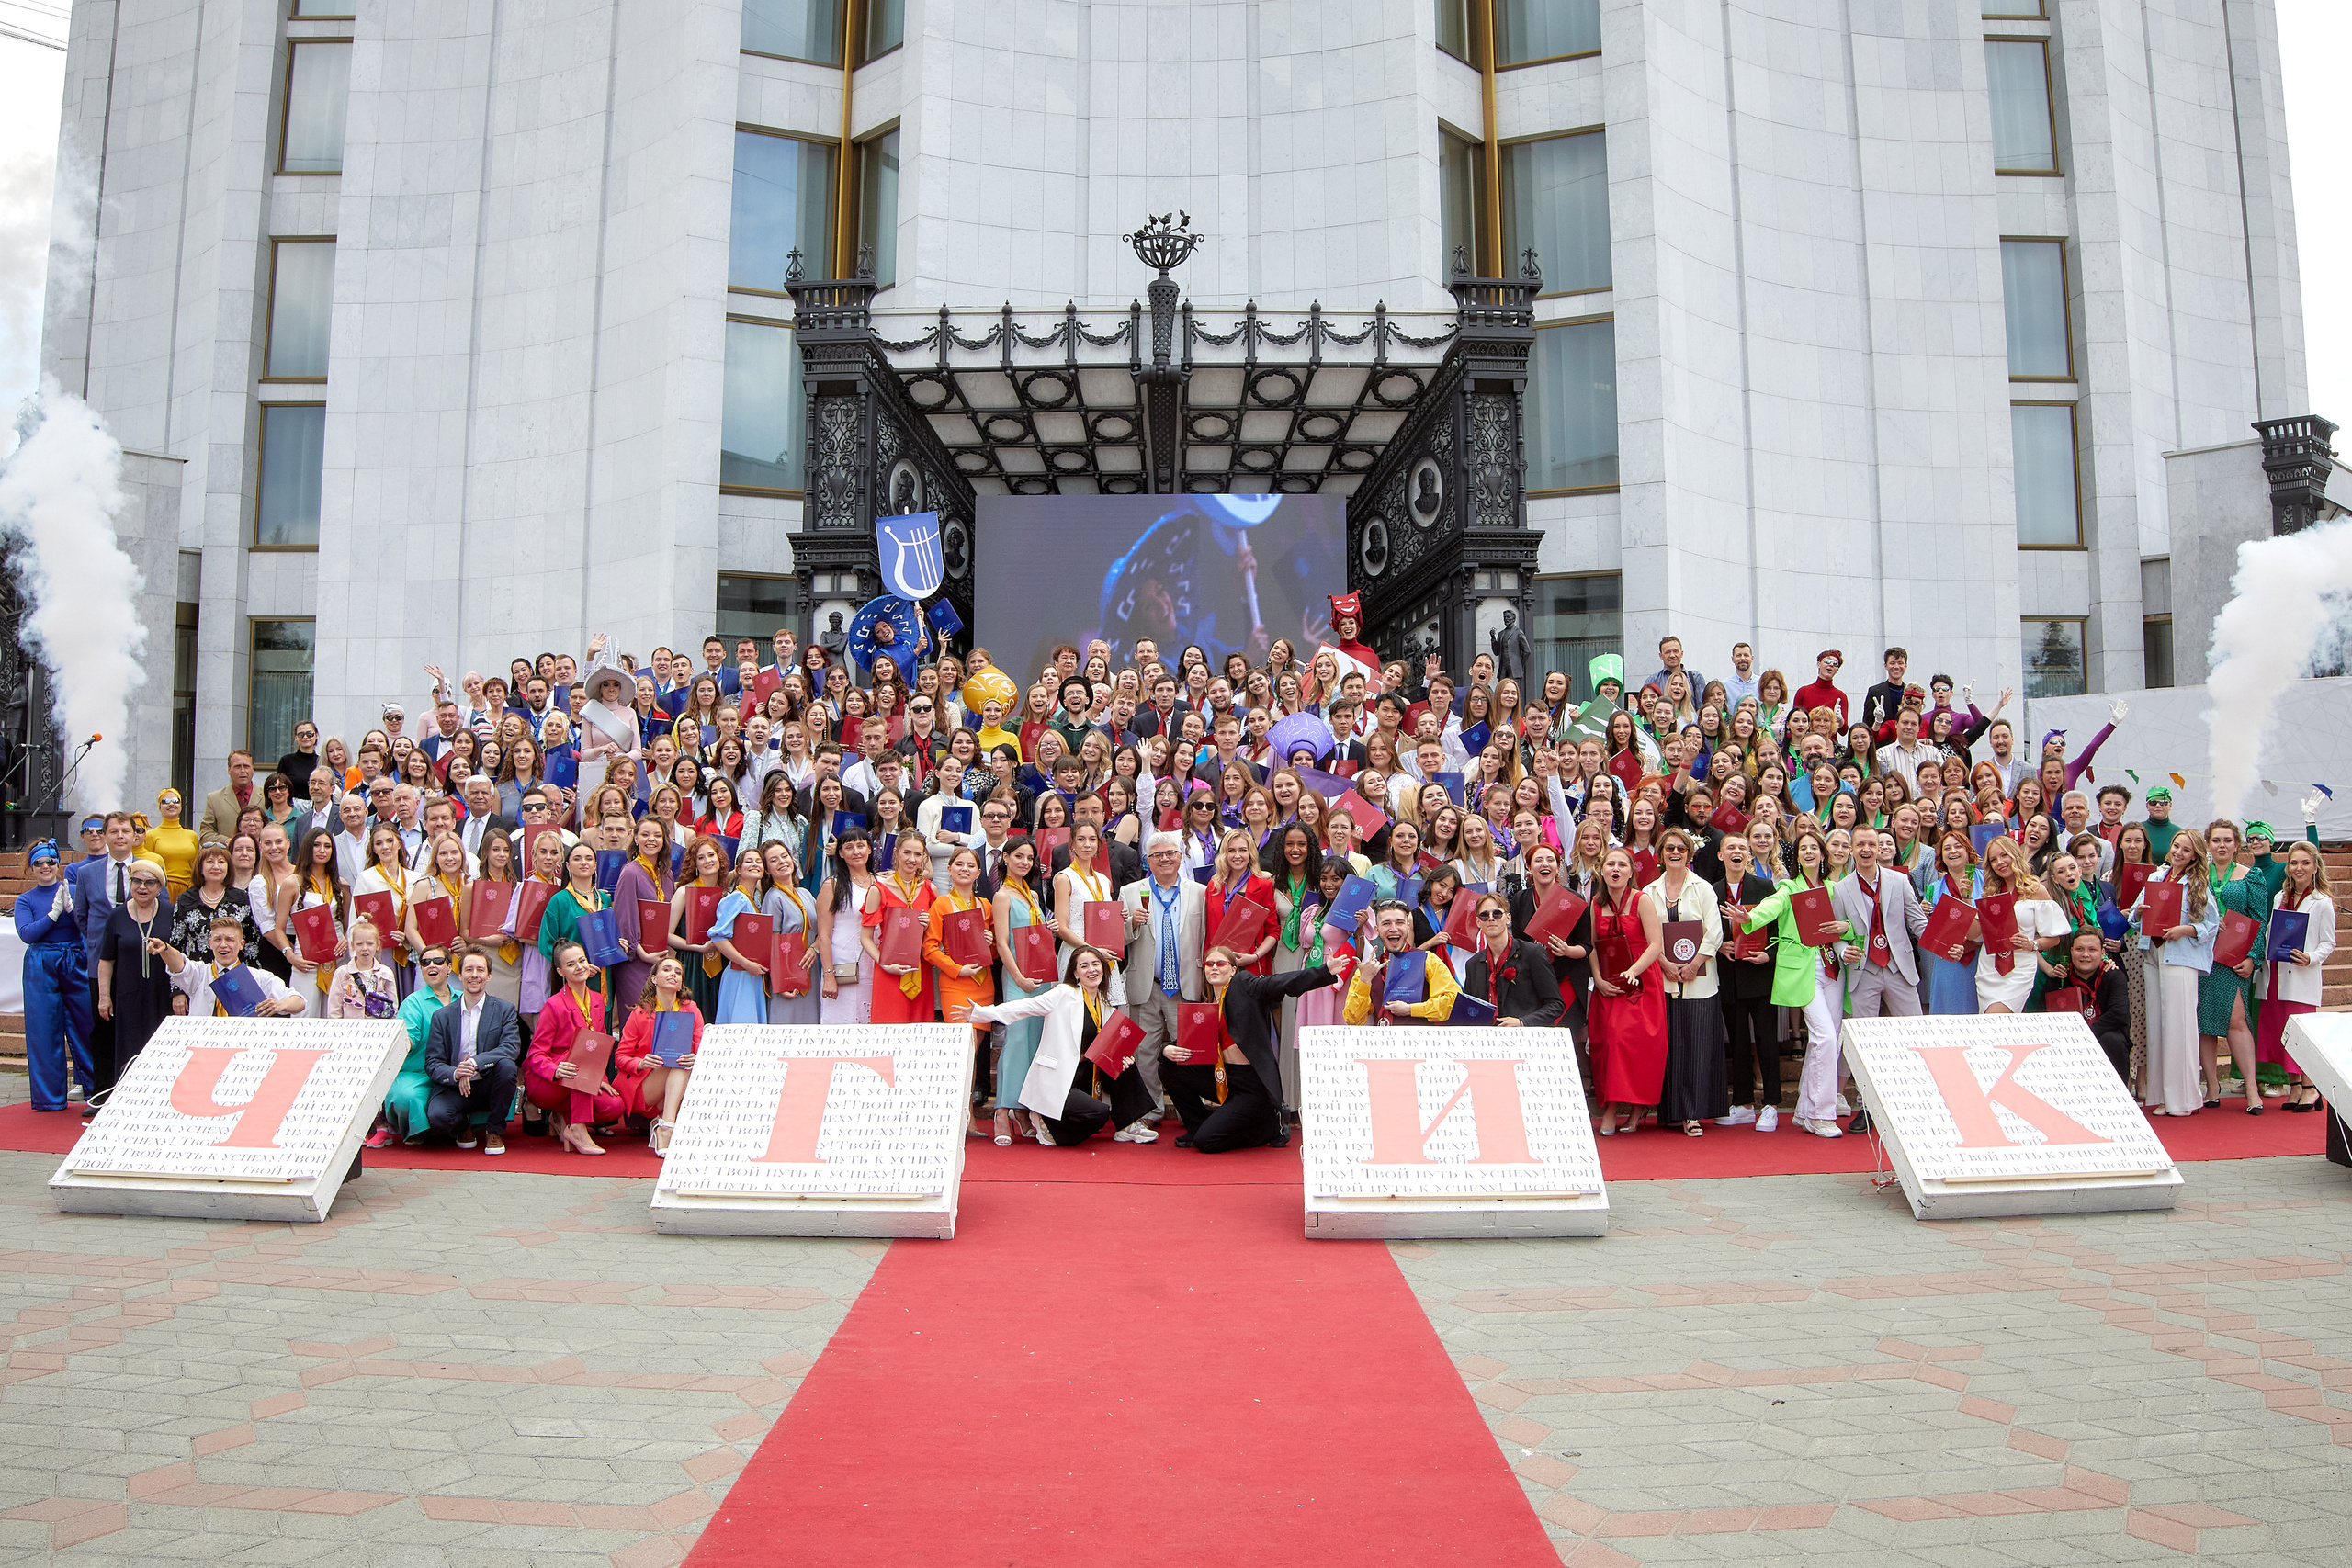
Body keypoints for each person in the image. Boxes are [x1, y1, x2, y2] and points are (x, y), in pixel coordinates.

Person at [967, 944, 1157, 1146]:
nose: (1092, 970)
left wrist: (1121, 1057)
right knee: (1099, 1114)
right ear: (1075, 973)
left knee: (1126, 1063)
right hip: (1061, 1077)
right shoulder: (1064, 993)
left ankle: (1127, 1125)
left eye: (1096, 964)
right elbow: (1025, 1007)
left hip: (1087, 1072)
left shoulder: (1105, 1002)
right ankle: (1045, 1120)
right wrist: (982, 1013)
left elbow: (1108, 1047)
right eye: (1084, 966)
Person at [1166, 942, 1335, 1151]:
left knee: (1206, 1142)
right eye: (1209, 964)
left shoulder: (1243, 984)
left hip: (1251, 1087)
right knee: (1168, 1066)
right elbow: (1189, 1042)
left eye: (1221, 963)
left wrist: (1325, 971)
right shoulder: (1208, 1006)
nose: (1214, 968)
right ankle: (1197, 1126)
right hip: (1225, 1080)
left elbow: (1277, 983)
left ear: (1233, 969)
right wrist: (1167, 1049)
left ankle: (1268, 1128)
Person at [1736, 826, 1845, 1138]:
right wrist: (1751, 918)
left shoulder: (1835, 889)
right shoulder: (1788, 887)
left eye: (1814, 848)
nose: (1809, 852)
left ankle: (1804, 1111)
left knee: (1827, 1040)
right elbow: (1771, 907)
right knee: (1825, 1037)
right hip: (1802, 970)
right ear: (1796, 857)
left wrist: (1846, 926)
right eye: (1803, 849)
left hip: (1833, 967)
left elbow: (1851, 923)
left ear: (1823, 855)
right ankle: (1821, 1115)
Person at [1641, 829, 1725, 1135]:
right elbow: (1646, 934)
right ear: (1661, 854)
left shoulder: (1703, 888)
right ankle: (1673, 1112)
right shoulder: (1649, 891)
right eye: (1669, 848)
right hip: (1663, 980)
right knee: (1672, 1048)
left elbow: (1715, 932)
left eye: (1681, 848)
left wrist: (1695, 964)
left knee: (1697, 1048)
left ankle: (1693, 1114)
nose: (1675, 853)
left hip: (1700, 980)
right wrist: (1663, 963)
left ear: (1689, 853)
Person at [2134, 828, 2221, 1117]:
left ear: (2195, 855)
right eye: (2176, 846)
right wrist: (2138, 913)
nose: (2179, 853)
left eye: (2186, 849)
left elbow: (2211, 925)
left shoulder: (2197, 884)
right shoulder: (2156, 878)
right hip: (2153, 954)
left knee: (2178, 1026)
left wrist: (2186, 929)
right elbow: (2134, 916)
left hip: (2181, 956)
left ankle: (2182, 1100)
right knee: (2157, 1025)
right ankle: (2160, 1095)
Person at [1584, 847, 1666, 1135]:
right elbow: (1592, 946)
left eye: (1622, 865)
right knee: (1606, 1041)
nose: (1615, 869)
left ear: (1631, 872)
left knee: (1631, 1042)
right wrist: (1598, 979)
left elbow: (1655, 944)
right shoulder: (1595, 905)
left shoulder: (1642, 900)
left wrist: (1633, 971)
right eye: (1611, 865)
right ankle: (1613, 1104)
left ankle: (1633, 1107)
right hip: (1609, 981)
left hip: (1640, 982)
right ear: (1602, 870)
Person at [14, 840, 96, 1111]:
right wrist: (53, 915)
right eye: (39, 863)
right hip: (41, 963)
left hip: (74, 959)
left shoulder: (73, 890)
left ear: (58, 864)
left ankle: (96, 1089)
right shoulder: (25, 900)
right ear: (31, 868)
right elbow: (27, 934)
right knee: (43, 1029)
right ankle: (49, 1097)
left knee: (86, 1023)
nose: (45, 867)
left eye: (50, 862)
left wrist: (73, 912)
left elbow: (89, 928)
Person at [2259, 829, 2335, 1111]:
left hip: (2300, 974)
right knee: (2281, 1032)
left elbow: (2329, 942)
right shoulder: (2280, 896)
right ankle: (2295, 1087)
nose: (2298, 868)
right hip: (2275, 973)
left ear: (2315, 867)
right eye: (2293, 863)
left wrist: (2311, 958)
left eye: (2305, 863)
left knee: (2301, 1034)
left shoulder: (2322, 901)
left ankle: (2311, 1088)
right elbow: (2271, 930)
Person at [526, 940, 624, 1155]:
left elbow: (599, 1050)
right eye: (571, 964)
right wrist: (554, 1069)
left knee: (614, 1106)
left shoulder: (597, 1000)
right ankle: (577, 1129)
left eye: (582, 961)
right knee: (580, 1058)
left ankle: (562, 1119)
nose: (579, 967)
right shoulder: (553, 1005)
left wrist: (599, 1079)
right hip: (547, 1079)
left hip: (581, 1074)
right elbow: (535, 1054)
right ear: (561, 972)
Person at [1711, 833, 1780, 1131]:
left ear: (1749, 855)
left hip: (1759, 974)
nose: (1736, 851)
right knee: (1737, 1041)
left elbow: (1778, 931)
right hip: (1729, 976)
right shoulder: (1711, 891)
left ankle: (1772, 1104)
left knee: (1766, 1040)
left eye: (1742, 847)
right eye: (1731, 847)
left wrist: (1769, 954)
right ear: (1721, 855)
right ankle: (1742, 1104)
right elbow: (1703, 929)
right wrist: (1718, 946)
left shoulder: (1765, 888)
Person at [95, 860, 178, 1084]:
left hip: (162, 994)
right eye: (137, 881)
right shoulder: (117, 916)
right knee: (129, 1049)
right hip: (128, 996)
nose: (142, 887)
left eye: (149, 882)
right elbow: (106, 960)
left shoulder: (170, 912)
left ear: (159, 887)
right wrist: (104, 997)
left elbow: (181, 956)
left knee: (162, 1048)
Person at [612, 954, 704, 1154]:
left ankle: (665, 1125)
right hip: (643, 1084)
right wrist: (641, 1063)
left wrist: (697, 1057)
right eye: (667, 970)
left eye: (678, 972)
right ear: (654, 979)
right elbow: (620, 1057)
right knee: (677, 1065)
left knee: (683, 1063)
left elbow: (702, 1047)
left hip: (677, 1081)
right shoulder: (639, 1013)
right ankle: (667, 1128)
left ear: (681, 983)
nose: (673, 974)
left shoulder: (692, 1009)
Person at [1343, 900, 1461, 1027]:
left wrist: (1412, 1009)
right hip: (1383, 1038)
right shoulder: (1369, 968)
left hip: (1420, 1037)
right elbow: (1353, 1020)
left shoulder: (1428, 960)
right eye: (1386, 924)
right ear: (1377, 930)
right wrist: (1364, 981)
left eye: (1400, 923)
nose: (1394, 929)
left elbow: (1453, 1002)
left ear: (1408, 928)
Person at [865, 830, 939, 1025]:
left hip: (920, 969)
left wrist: (929, 926)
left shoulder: (930, 889)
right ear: (896, 853)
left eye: (917, 854)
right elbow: (865, 937)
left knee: (919, 1031)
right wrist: (883, 963)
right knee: (889, 1030)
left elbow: (937, 936)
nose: (912, 859)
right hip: (889, 968)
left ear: (923, 857)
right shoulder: (878, 889)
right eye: (906, 852)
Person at [1460, 889, 1563, 1027]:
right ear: (1478, 922)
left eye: (1497, 914)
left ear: (1508, 918)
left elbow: (1556, 1004)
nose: (1491, 918)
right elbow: (1471, 1010)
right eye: (1484, 915)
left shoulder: (1533, 954)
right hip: (1488, 1037)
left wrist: (1522, 1022)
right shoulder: (1473, 964)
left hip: (1526, 1035)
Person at [2046, 928, 2132, 1083]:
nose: (2085, 954)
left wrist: (2087, 1034)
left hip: (2102, 1035)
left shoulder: (2114, 976)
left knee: (2113, 1039)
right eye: (2079, 949)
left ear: (2102, 952)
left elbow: (2119, 1014)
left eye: (2092, 950)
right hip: (2068, 1039)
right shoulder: (2059, 978)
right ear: (2071, 951)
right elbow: (2044, 1016)